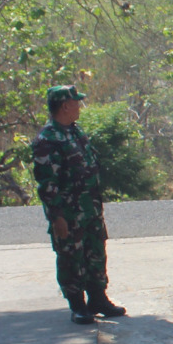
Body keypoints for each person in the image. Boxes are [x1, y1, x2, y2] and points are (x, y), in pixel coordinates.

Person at [32, 85, 125, 325]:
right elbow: (46, 183)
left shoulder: (75, 132)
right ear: (65, 105)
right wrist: (57, 217)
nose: (79, 106)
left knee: (95, 253)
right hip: (69, 213)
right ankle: (77, 305)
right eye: (76, 102)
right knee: (71, 257)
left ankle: (98, 299)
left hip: (90, 209)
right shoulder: (48, 139)